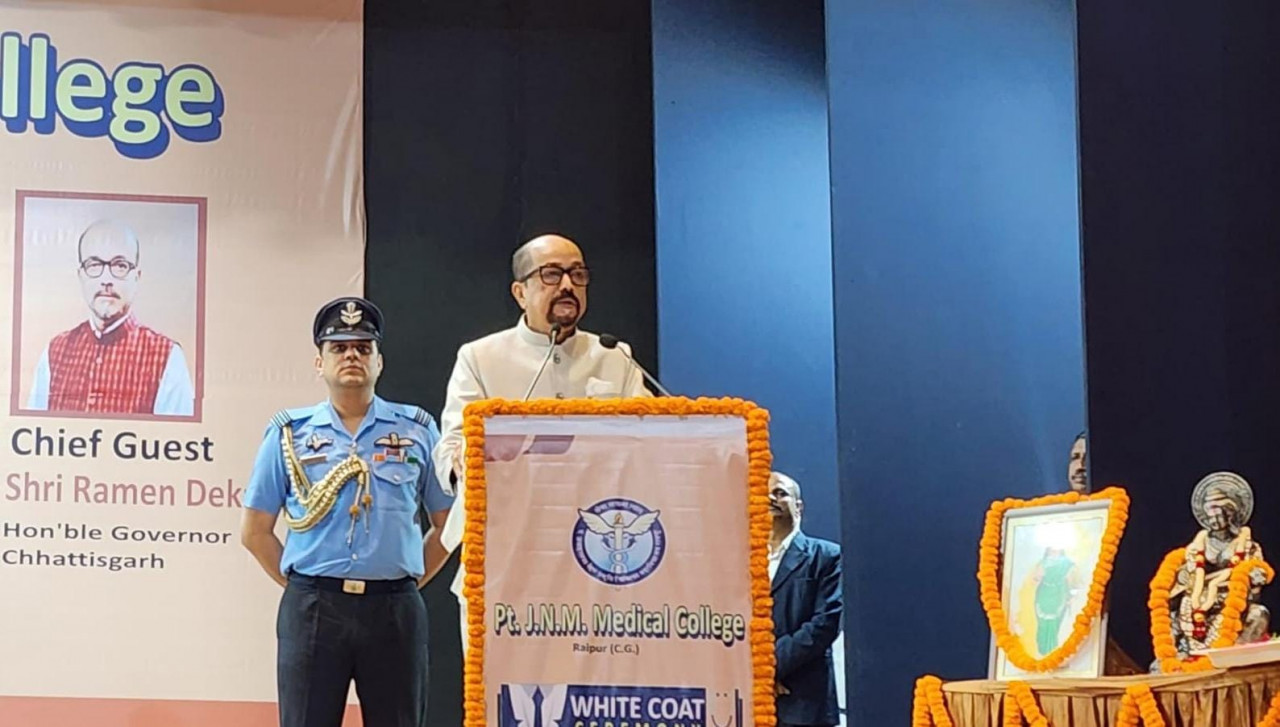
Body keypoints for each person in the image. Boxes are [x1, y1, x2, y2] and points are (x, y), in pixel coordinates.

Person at [425, 233, 652, 646]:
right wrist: (472, 457)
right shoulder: (480, 358)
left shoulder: (614, 357)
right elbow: (452, 445)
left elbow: (649, 438)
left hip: (596, 559)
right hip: (504, 556)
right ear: (520, 291)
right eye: (551, 274)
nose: (567, 285)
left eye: (577, 274)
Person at [240, 296, 452, 727]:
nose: (351, 355)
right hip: (315, 606)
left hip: (393, 607)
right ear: (319, 363)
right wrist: (304, 584)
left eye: (362, 347)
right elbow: (255, 530)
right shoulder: (290, 434)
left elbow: (448, 527)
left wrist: (405, 577)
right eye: (338, 347)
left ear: (379, 362)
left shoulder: (416, 430)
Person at [27, 219, 195, 415]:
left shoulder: (167, 357)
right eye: (94, 265)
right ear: (81, 276)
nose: (106, 279)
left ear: (136, 277)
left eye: (120, 266)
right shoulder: (54, 352)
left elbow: (175, 440)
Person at [768, 472, 842, 727]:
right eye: (763, 494)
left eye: (780, 493)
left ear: (798, 507)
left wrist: (768, 666)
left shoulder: (826, 556)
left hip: (803, 704)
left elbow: (825, 624)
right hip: (745, 700)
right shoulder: (739, 561)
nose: (770, 498)